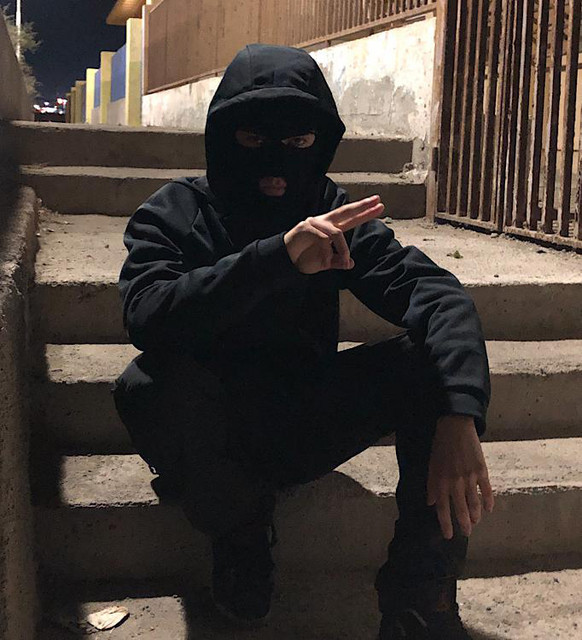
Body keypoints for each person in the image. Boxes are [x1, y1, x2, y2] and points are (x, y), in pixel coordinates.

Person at [112, 43, 494, 639]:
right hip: (215, 430)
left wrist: (458, 413)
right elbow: (148, 316)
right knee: (146, 385)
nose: (275, 164)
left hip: (303, 414)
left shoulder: (329, 208)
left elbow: (436, 295)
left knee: (437, 367)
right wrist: (277, 259)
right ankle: (240, 533)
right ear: (223, 136)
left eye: (297, 142)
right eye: (252, 140)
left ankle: (420, 601)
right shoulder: (176, 211)